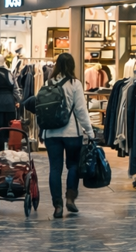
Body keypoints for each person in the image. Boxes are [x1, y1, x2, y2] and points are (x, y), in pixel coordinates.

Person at [40, 53, 95, 219]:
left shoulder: (48, 83)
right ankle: (70, 198)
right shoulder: (75, 84)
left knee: (55, 169)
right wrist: (90, 132)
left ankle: (57, 206)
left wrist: (42, 131)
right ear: (72, 66)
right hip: (72, 133)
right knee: (73, 165)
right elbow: (80, 111)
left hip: (51, 133)